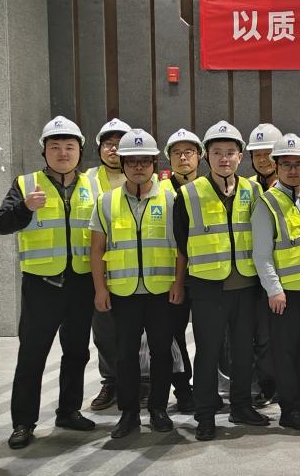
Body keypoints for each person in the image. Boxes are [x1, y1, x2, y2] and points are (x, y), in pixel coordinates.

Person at [0, 116, 98, 449]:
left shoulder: (94, 187)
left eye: (69, 146)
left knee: (77, 352)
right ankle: (23, 423)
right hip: (42, 285)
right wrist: (25, 208)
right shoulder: (26, 184)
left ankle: (69, 411)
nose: (63, 153)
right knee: (32, 355)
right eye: (55, 147)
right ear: (44, 151)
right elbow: (1, 224)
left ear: (79, 151)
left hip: (81, 283)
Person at [173, 121, 270, 441]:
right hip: (207, 287)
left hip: (246, 285)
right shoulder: (188, 194)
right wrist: (179, 283)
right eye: (217, 152)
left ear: (240, 156)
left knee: (243, 351)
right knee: (208, 352)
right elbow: (181, 244)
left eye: (230, 152)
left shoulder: (253, 191)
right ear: (206, 156)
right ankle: (204, 414)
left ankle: (241, 406)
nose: (224, 158)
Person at [89, 128, 183, 439]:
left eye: (145, 160)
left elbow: (181, 247)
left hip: (161, 291)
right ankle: (128, 413)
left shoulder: (171, 199)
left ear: (154, 163)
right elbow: (97, 249)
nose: (138, 166)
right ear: (123, 164)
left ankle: (158, 409)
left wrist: (178, 283)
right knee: (125, 354)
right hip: (123, 292)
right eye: (132, 161)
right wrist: (100, 289)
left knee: (161, 352)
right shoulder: (106, 201)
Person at [252, 134, 300, 431]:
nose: (293, 170)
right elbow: (261, 254)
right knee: (284, 353)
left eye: (298, 164)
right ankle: (289, 409)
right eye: (286, 164)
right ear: (276, 166)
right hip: (284, 294)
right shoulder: (266, 203)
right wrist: (274, 290)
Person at [88, 118, 130, 412]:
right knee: (104, 331)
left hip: (137, 268)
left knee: (139, 333)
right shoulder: (87, 180)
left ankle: (140, 381)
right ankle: (111, 381)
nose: (113, 149)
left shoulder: (144, 174)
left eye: (119, 144)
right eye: (108, 144)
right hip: (101, 268)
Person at [159, 129, 202, 414]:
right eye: (177, 153)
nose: (183, 157)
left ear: (199, 156)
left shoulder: (208, 188)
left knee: (209, 336)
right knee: (174, 336)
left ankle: (208, 388)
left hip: (206, 274)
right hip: (172, 276)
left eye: (189, 152)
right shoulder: (159, 191)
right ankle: (183, 390)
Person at [245, 122, 283, 406]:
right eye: (257, 154)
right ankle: (268, 386)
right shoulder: (247, 188)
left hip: (293, 273)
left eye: (267, 153)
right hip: (256, 274)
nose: (262, 159)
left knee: (295, 337)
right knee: (263, 336)